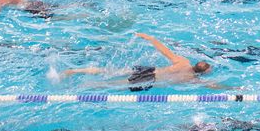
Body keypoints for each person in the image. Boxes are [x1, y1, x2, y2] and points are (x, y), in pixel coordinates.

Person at [63, 32, 228, 91]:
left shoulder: (183, 61)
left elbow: (164, 50)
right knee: (111, 85)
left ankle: (74, 71)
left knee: (109, 72)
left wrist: (150, 38)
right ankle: (82, 87)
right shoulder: (191, 79)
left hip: (149, 69)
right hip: (149, 79)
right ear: (204, 72)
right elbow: (211, 85)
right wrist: (231, 88)